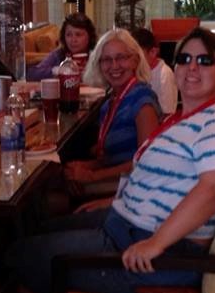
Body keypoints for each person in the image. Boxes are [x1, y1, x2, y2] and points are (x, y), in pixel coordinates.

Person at [8, 27, 215, 293]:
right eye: (184, 60)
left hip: (154, 248)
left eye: (205, 61)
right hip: (125, 222)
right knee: (37, 230)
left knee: (18, 256)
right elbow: (157, 177)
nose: (192, 68)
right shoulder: (183, 119)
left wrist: (156, 243)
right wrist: (117, 199)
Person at [62, 29, 161, 192]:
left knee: (51, 196)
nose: (114, 66)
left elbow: (145, 161)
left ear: (135, 61)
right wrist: (87, 166)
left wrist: (92, 176)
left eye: (121, 58)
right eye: (106, 60)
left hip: (132, 187)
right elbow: (113, 157)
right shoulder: (110, 102)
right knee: (58, 178)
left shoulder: (142, 100)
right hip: (114, 179)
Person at [26, 13, 96, 81]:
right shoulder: (59, 54)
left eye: (78, 35)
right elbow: (31, 74)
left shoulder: (97, 54)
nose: (73, 40)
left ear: (89, 36)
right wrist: (58, 70)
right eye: (68, 35)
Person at [132, 27, 178, 117]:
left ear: (153, 52)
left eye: (137, 56)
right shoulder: (137, 71)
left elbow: (167, 113)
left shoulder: (164, 74)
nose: (133, 60)